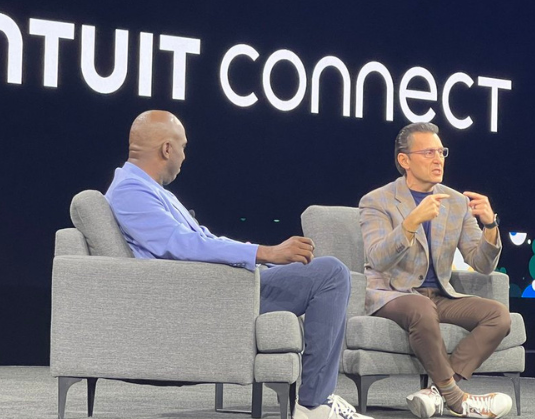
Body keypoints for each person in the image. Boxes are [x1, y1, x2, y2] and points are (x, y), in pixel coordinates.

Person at [105, 110, 372, 419]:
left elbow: (199, 239)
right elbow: (182, 245)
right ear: (167, 149)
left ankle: (317, 400)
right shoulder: (130, 191)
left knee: (325, 272)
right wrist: (265, 253)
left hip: (221, 286)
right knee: (331, 274)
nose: (183, 156)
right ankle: (314, 404)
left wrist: (260, 260)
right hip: (214, 296)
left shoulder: (148, 190)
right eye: (182, 147)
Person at [358, 122, 512, 419]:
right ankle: (457, 399)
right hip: (393, 293)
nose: (437, 158)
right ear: (405, 160)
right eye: (428, 152)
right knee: (421, 308)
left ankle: (438, 392)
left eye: (441, 151)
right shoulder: (377, 201)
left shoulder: (455, 202)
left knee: (499, 315)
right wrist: (411, 223)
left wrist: (490, 225)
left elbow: (481, 264)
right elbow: (377, 258)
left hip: (439, 294)